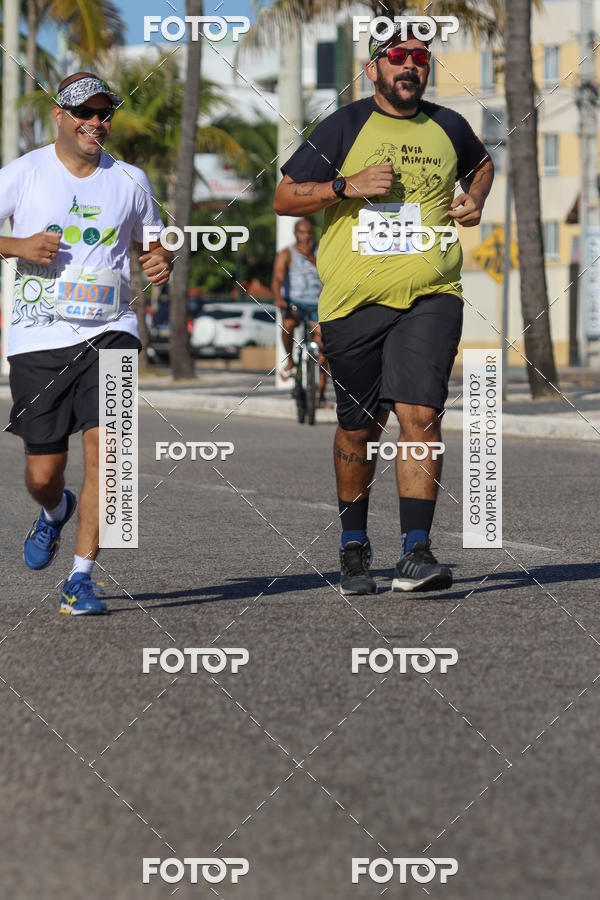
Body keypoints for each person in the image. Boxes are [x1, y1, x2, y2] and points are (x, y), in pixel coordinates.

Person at [274, 23, 494, 594]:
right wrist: (346, 186)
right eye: (397, 58)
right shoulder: (345, 124)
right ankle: (353, 544)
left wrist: (476, 200)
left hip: (432, 294)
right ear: (374, 68)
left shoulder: (449, 125)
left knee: (420, 416)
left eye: (420, 58)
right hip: (353, 302)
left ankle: (415, 551)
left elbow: (482, 162)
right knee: (358, 429)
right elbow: (284, 196)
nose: (410, 67)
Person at [0, 72, 172, 615]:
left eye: (104, 114)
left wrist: (161, 260)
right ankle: (54, 512)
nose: (95, 122)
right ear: (59, 114)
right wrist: (16, 244)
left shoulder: (130, 179)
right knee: (43, 474)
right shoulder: (24, 173)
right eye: (84, 112)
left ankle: (80, 580)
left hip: (112, 330)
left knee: (112, 454)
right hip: (38, 337)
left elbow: (156, 242)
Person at [270, 218, 332, 407]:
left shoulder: (320, 251)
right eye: (301, 233)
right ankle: (290, 361)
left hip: (318, 306)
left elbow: (329, 273)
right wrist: (279, 298)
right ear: (296, 234)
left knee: (323, 350)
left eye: (308, 233)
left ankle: (320, 395)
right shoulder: (286, 254)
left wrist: (313, 259)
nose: (305, 237)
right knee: (288, 324)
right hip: (295, 305)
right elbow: (277, 278)